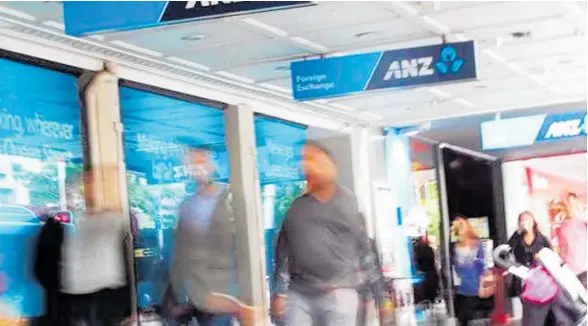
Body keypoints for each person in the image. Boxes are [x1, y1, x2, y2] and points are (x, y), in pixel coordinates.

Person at [271, 141, 377, 326]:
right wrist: (280, 291)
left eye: (313, 159)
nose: (308, 165)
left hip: (339, 291)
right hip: (301, 294)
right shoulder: (297, 208)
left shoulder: (350, 203)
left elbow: (365, 251)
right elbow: (283, 252)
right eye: (305, 160)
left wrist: (374, 294)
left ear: (331, 166)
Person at [165, 145, 247, 326]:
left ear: (213, 165)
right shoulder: (187, 205)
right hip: (195, 294)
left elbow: (244, 248)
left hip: (224, 292)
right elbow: (180, 254)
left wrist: (243, 295)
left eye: (200, 161)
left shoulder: (231, 198)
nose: (195, 167)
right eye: (191, 163)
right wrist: (176, 294)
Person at [506, 211, 552, 324]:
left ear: (533, 222)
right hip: (522, 279)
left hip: (539, 279)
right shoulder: (517, 238)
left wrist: (541, 258)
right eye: (522, 220)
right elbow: (506, 249)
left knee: (541, 308)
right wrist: (517, 232)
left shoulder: (541, 238)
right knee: (528, 308)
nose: (524, 222)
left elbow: (551, 255)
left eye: (527, 219)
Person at [451, 215, 486, 326]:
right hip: (459, 288)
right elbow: (454, 266)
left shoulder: (475, 244)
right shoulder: (454, 246)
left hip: (472, 286)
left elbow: (481, 267)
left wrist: (481, 286)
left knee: (467, 317)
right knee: (462, 318)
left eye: (461, 225)